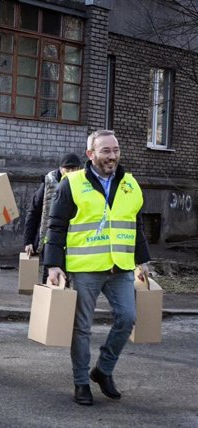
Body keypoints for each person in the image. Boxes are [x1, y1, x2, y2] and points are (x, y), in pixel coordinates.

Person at [43, 130, 151, 406]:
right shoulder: (72, 183)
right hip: (86, 268)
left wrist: (143, 259)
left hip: (121, 267)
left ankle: (103, 370)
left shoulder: (130, 184)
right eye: (105, 150)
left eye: (115, 150)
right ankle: (81, 383)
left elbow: (136, 226)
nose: (112, 155)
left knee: (127, 318)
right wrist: (53, 264)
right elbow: (56, 226)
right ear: (90, 154)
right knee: (82, 328)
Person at [23, 153, 81, 283]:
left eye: (74, 169)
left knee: (71, 280)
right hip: (51, 238)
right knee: (51, 276)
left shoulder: (83, 185)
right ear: (61, 169)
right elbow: (34, 212)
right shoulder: (48, 184)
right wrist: (29, 241)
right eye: (68, 169)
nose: (71, 172)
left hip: (75, 241)